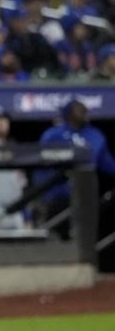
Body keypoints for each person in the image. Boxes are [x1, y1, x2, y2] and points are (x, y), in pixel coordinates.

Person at [37, 99, 115, 238]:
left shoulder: (95, 135)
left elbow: (107, 164)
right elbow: (41, 166)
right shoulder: (53, 134)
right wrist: (44, 196)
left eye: (83, 108)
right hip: (57, 196)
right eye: (77, 108)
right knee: (56, 236)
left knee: (85, 238)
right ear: (67, 113)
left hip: (86, 196)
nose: (82, 110)